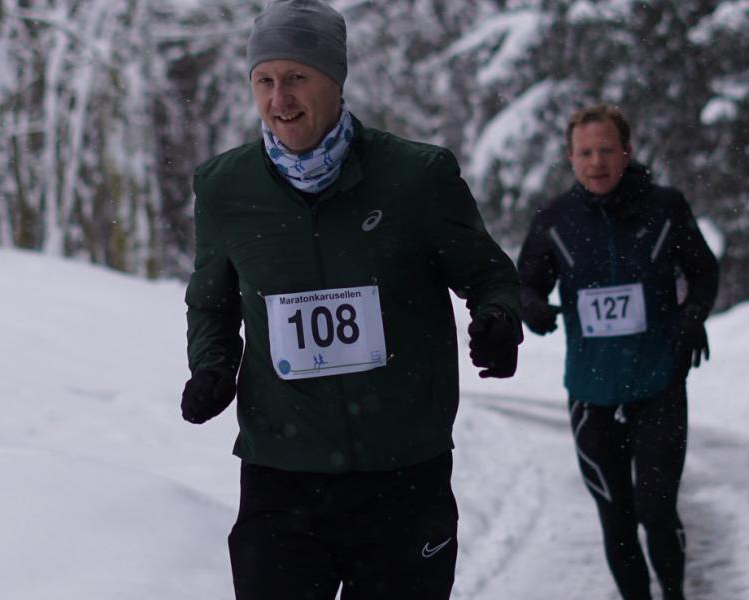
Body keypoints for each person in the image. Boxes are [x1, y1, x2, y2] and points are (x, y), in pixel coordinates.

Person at [180, 1, 523, 598]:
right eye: (264, 80)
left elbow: (489, 274)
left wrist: (498, 319)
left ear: (334, 80)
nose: (279, 98)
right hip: (280, 472)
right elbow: (212, 302)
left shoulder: (416, 177)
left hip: (401, 474)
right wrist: (212, 365)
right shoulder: (223, 188)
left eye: (297, 78)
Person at [516, 104, 719, 600]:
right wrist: (532, 310)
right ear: (570, 158)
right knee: (617, 517)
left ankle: (674, 594)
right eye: (585, 152)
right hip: (591, 392)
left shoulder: (665, 207)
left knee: (655, 509)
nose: (597, 162)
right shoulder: (555, 220)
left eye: (607, 150)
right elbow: (524, 286)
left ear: (627, 152)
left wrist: (692, 318)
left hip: (658, 382)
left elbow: (704, 271)